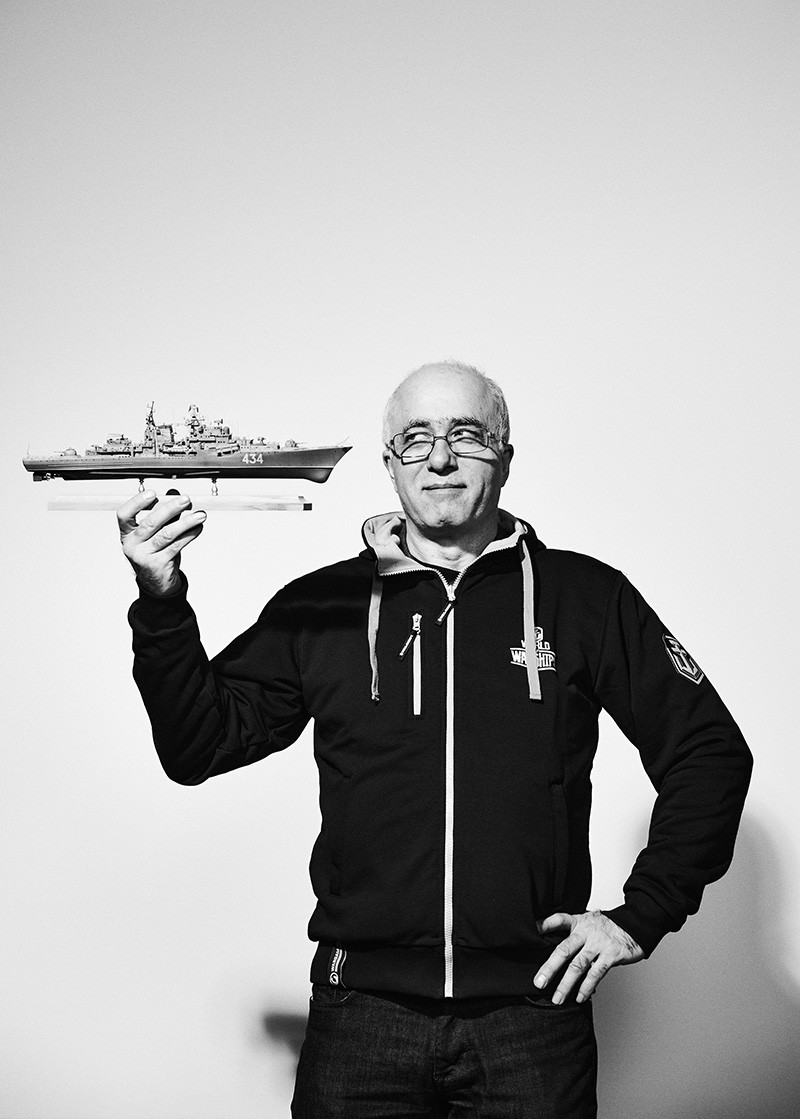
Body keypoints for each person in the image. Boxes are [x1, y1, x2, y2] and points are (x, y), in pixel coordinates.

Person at [118, 361, 752, 1118]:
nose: (440, 458)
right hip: (361, 1018)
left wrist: (640, 915)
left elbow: (709, 751)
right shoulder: (321, 606)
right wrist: (161, 596)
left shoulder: (588, 599)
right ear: (389, 463)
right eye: (416, 438)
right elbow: (196, 745)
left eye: (466, 435)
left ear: (505, 456)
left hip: (532, 1017)